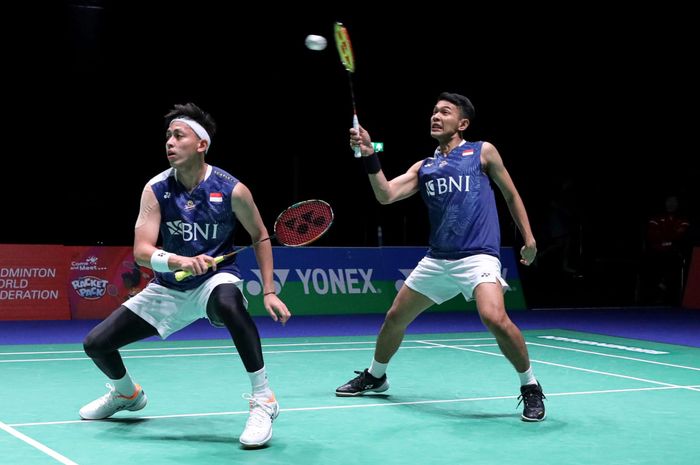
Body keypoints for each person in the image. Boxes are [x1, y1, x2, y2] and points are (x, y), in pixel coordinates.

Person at [79, 103, 291, 448]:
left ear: (201, 144)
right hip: (169, 286)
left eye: (179, 136)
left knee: (228, 301)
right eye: (168, 137)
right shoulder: (157, 188)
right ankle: (127, 394)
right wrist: (178, 260)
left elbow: (260, 235)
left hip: (214, 280)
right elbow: (142, 251)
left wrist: (269, 291)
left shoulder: (232, 189)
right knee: (96, 344)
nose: (170, 142)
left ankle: (264, 398)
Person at [335, 92, 546, 421]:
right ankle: (376, 376)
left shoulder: (482, 152)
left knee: (493, 316)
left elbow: (510, 193)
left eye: (445, 112)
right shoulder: (425, 167)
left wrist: (529, 239)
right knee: (395, 318)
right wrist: (368, 156)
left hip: (478, 256)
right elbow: (386, 194)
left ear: (462, 123)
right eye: (434, 111)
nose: (436, 116)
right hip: (438, 259)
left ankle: (530, 386)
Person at [643, 194, 690, 305]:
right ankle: (651, 296)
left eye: (674, 201)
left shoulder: (683, 219)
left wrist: (666, 237)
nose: (671, 204)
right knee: (649, 261)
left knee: (673, 261)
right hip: (655, 251)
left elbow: (680, 236)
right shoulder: (655, 217)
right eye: (669, 201)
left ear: (678, 204)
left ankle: (669, 298)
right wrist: (669, 237)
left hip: (674, 252)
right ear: (664, 202)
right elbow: (652, 235)